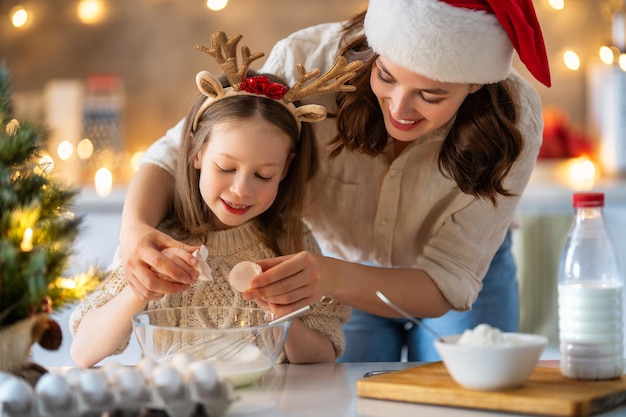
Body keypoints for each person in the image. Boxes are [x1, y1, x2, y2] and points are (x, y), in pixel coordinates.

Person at [118, 0, 552, 362]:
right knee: (342, 396)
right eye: (387, 77)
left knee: (468, 398)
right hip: (328, 268)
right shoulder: (311, 63)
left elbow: (449, 279)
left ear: (474, 84)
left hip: (441, 278)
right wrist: (134, 231)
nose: (400, 107)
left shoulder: (513, 120)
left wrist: (330, 277)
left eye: (431, 95)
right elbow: (179, 149)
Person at [69, 31, 358, 368]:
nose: (241, 189)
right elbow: (84, 352)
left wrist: (282, 314)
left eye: (263, 175)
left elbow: (322, 356)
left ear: (285, 169)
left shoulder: (291, 241)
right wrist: (142, 288)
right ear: (195, 152)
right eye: (225, 167)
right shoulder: (158, 241)